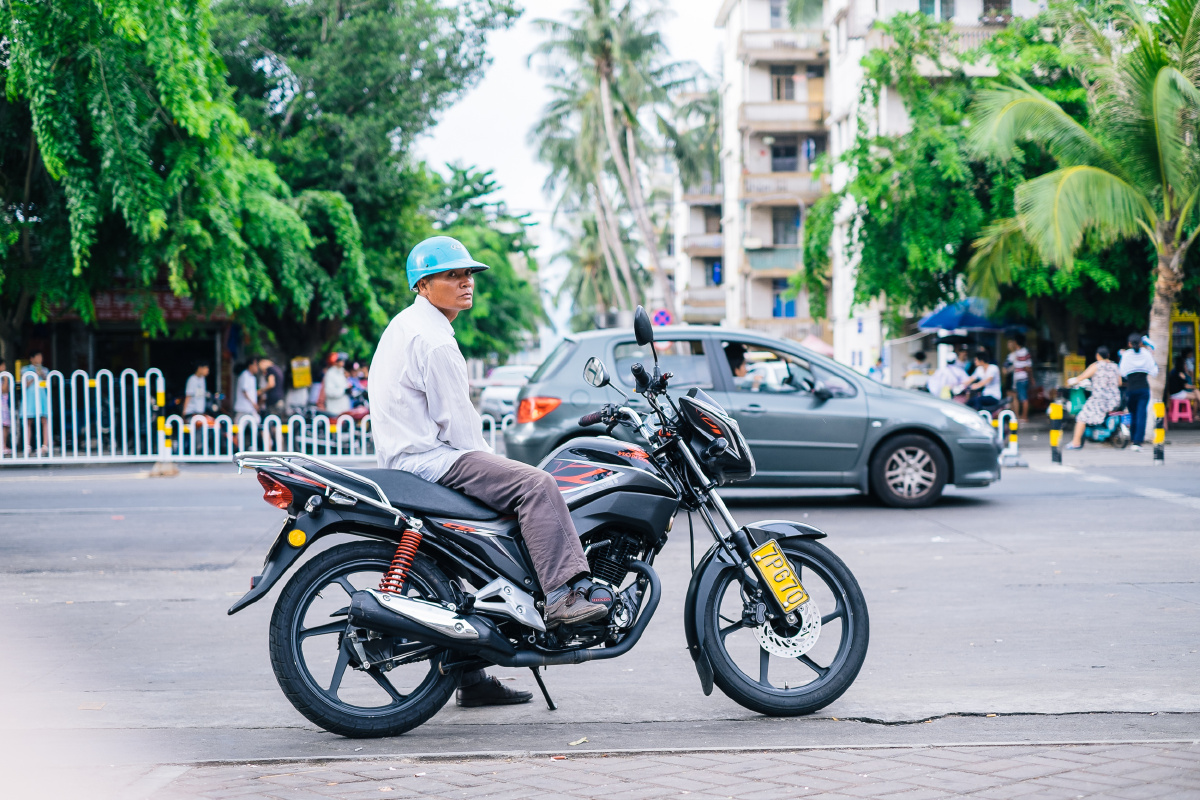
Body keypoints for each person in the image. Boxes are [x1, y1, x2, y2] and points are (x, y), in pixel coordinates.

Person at [371, 235, 607, 707]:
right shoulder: (433, 340)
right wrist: (499, 469)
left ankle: (472, 680)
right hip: (433, 458)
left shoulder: (408, 325)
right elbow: (460, 429)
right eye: (452, 275)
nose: (466, 283)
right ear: (422, 285)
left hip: (409, 457)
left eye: (468, 274)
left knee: (469, 553)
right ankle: (562, 597)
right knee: (536, 485)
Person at [1065, 346, 1121, 449]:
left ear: (1098, 356)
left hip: (1099, 400)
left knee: (1081, 417)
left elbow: (1082, 377)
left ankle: (1076, 442)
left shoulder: (1096, 366)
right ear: (1108, 355)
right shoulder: (1115, 366)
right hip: (1115, 399)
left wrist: (1071, 382)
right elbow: (1120, 383)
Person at [1119, 332, 1158, 451]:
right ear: (1141, 343)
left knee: (1133, 414)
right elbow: (1154, 372)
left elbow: (1122, 372)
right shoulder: (1146, 353)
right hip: (1143, 388)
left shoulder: (1126, 354)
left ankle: (1133, 438)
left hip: (1131, 388)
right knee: (1142, 414)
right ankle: (1137, 442)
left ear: (1129, 344)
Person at [21, 350, 51, 456]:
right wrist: (35, 375)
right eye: (38, 357)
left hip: (42, 397)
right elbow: (25, 384)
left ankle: (45, 445)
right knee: (28, 421)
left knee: (44, 420)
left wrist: (42, 374)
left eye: (41, 357)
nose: (40, 359)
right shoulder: (25, 370)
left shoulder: (45, 370)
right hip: (30, 397)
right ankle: (27, 446)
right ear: (32, 359)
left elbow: (47, 383)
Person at [1004, 334, 1033, 421]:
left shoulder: (1022, 352)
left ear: (1016, 342)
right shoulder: (1019, 352)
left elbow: (1027, 366)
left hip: (1022, 378)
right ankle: (1021, 416)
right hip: (1020, 378)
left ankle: (1024, 417)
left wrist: (1031, 377)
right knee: (1021, 397)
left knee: (1023, 398)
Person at [964, 347, 1002, 411]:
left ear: (981, 361)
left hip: (994, 396)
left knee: (977, 400)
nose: (974, 362)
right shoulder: (979, 369)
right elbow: (971, 379)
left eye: (976, 360)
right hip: (985, 395)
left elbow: (987, 380)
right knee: (969, 402)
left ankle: (979, 415)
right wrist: (960, 384)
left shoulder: (993, 368)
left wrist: (976, 385)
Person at [234, 358, 261, 433]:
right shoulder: (245, 375)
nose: (257, 367)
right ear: (250, 366)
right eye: (255, 365)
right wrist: (254, 404)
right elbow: (244, 392)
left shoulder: (252, 377)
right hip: (243, 407)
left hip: (250, 408)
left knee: (257, 425)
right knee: (239, 429)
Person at [0, 358, 11, 456]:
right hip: (1, 406)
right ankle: (2, 446)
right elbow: (4, 390)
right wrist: (6, 379)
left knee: (6, 425)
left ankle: (3, 445)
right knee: (3, 425)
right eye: (3, 365)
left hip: (4, 405)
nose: (5, 367)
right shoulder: (3, 378)